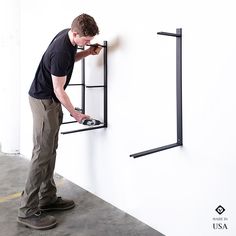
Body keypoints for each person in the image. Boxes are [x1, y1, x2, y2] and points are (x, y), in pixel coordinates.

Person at [17, 13, 101, 230]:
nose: (88, 43)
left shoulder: (67, 37)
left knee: (50, 149)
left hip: (50, 101)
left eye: (90, 41)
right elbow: (58, 89)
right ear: (75, 33)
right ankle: (27, 211)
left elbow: (65, 63)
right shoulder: (62, 48)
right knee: (41, 155)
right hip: (44, 102)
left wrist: (87, 53)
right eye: (86, 40)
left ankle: (47, 197)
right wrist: (76, 113)